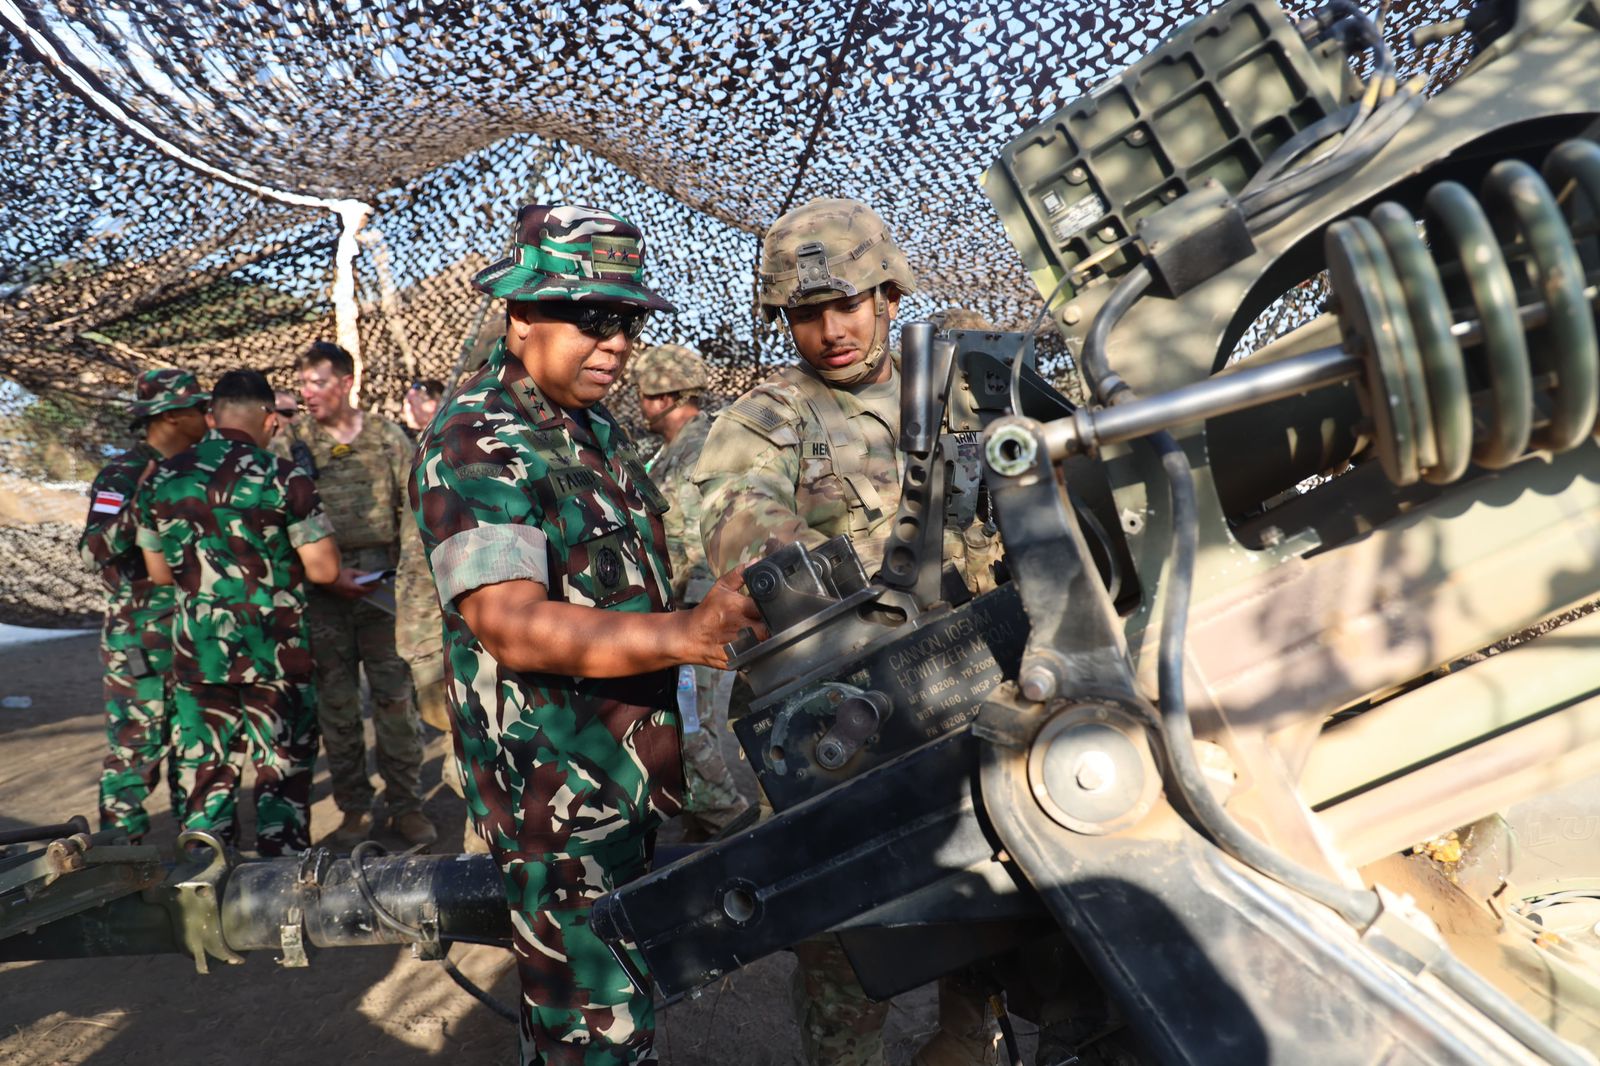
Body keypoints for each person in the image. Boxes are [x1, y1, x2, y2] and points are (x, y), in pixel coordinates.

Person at [409, 203, 764, 1066]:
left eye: (629, 321)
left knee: (608, 1016)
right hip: (553, 804)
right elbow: (513, 625)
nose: (615, 342)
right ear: (521, 316)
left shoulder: (589, 430)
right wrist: (687, 634)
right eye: (592, 317)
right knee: (592, 1038)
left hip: (618, 780)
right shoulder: (475, 440)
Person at [694, 199, 1003, 1066]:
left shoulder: (959, 393)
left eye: (847, 305)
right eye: (805, 313)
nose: (829, 330)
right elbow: (743, 536)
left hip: (976, 694)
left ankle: (962, 1042)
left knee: (994, 908)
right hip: (844, 726)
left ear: (889, 295)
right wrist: (905, 553)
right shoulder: (769, 417)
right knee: (845, 942)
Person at [136, 369, 341, 855]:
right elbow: (326, 569)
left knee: (206, 778)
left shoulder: (161, 478)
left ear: (212, 415)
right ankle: (280, 899)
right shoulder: (285, 476)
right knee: (282, 778)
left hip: (199, 657)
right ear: (270, 418)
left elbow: (160, 573)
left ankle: (204, 894)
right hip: (276, 657)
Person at [285, 340, 434, 848]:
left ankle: (406, 806)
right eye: (302, 383)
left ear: (347, 382)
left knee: (395, 702)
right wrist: (324, 576)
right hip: (321, 590)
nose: (308, 394)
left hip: (383, 587)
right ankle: (354, 810)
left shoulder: (387, 438)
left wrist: (412, 584)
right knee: (338, 707)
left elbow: (413, 514)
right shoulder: (291, 443)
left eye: (318, 382)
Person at [79, 369, 210, 841]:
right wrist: (143, 500)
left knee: (195, 748)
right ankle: (118, 862)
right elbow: (95, 546)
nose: (206, 416)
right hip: (141, 636)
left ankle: (199, 856)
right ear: (171, 416)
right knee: (136, 751)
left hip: (196, 632)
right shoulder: (124, 472)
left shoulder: (198, 468)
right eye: (198, 409)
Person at [633, 343, 752, 840]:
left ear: (662, 396)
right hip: (679, 611)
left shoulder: (703, 447)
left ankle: (731, 819)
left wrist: (698, 612)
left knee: (690, 726)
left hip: (700, 612)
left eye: (644, 394)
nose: (639, 404)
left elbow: (713, 538)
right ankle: (704, 821)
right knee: (682, 720)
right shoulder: (669, 450)